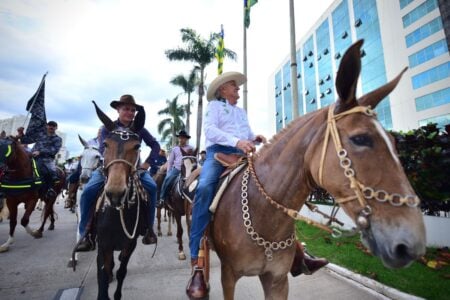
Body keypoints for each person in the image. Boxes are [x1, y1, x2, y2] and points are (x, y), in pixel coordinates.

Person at [186, 72, 328, 297]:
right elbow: (211, 131)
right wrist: (237, 142)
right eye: (234, 86)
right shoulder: (214, 107)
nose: (237, 89)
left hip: (243, 153)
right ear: (223, 89)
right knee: (204, 188)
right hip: (218, 154)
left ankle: (298, 253)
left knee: (275, 190)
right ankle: (197, 261)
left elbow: (246, 134)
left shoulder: (241, 112)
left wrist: (255, 138)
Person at [76, 94, 160, 251]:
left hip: (135, 169)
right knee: (87, 192)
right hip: (109, 168)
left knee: (152, 187)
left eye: (133, 110)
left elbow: (155, 145)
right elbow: (102, 148)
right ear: (118, 110)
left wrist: (148, 163)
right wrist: (114, 163)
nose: (130, 112)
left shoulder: (139, 129)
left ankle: (149, 229)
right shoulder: (106, 128)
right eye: (126, 109)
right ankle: (84, 235)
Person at [157, 130, 193, 208]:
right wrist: (168, 172)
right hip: (177, 169)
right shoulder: (175, 149)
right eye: (180, 138)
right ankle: (162, 199)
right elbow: (170, 162)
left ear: (186, 139)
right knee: (167, 180)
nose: (181, 139)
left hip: (188, 170)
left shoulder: (190, 148)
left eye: (183, 138)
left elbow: (193, 159)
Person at [31, 121, 62, 198]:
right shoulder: (40, 135)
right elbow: (32, 142)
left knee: (51, 172)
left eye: (53, 126)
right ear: (46, 126)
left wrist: (40, 152)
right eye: (50, 125)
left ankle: (50, 189)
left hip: (47, 159)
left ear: (56, 128)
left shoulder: (58, 139)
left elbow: (54, 150)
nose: (51, 127)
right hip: (34, 157)